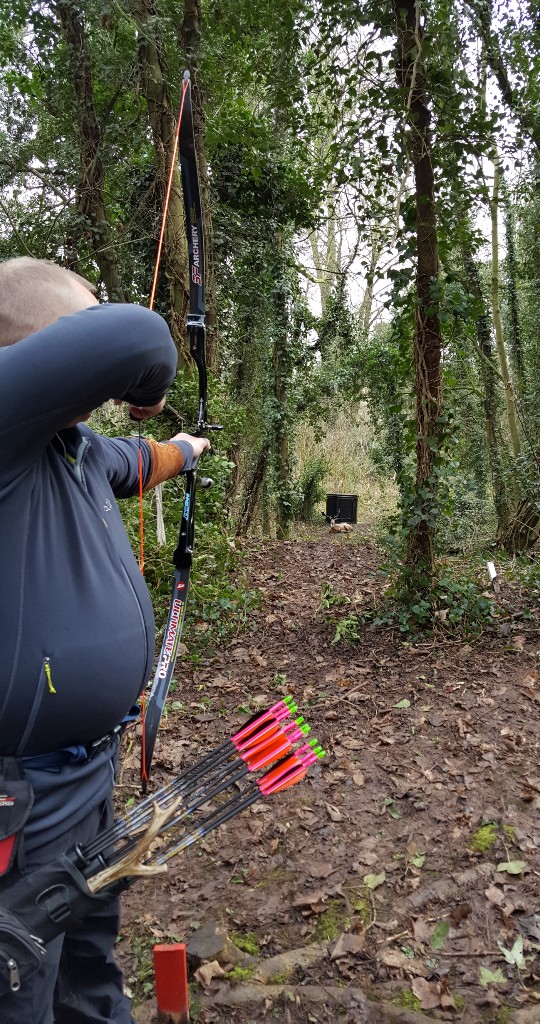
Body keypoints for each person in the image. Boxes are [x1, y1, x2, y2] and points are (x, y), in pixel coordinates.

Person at [0, 256, 210, 1023]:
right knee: (18, 981)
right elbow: (141, 338)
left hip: (90, 778)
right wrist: (147, 389)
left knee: (89, 970)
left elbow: (136, 462)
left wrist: (187, 449)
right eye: (83, 322)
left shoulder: (72, 449)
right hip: (22, 799)